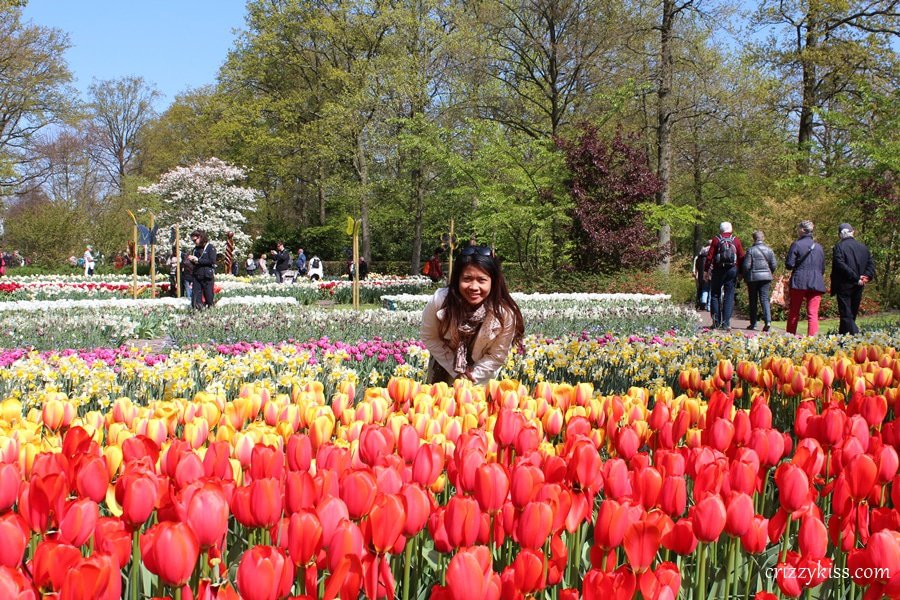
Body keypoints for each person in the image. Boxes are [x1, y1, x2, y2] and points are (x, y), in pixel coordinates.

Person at [420, 246, 525, 386]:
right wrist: (456, 369)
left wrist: (470, 376)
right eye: (467, 278)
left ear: (493, 282)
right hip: (444, 368)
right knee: (440, 405)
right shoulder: (440, 301)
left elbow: (497, 355)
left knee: (474, 407)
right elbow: (429, 336)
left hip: (481, 375)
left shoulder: (504, 313)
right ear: (457, 279)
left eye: (482, 280)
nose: (474, 287)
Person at [831, 223, 875, 335]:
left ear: (840, 234)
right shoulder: (863, 247)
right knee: (852, 313)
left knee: (846, 314)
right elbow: (871, 264)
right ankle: (843, 337)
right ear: (853, 231)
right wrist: (866, 276)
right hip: (859, 285)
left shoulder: (839, 247)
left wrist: (856, 278)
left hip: (844, 284)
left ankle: (855, 335)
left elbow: (839, 264)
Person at [785, 220, 826, 336]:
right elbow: (822, 268)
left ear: (802, 230)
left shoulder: (796, 245)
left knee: (794, 311)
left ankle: (790, 337)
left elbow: (789, 265)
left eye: (798, 228)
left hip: (799, 281)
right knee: (813, 313)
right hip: (816, 282)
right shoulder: (819, 247)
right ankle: (812, 340)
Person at [705, 222, 745, 330]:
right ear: (731, 229)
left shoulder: (716, 239)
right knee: (729, 296)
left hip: (718, 270)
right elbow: (741, 256)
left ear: (720, 230)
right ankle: (726, 323)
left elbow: (709, 257)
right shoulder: (735, 240)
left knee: (715, 295)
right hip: (732, 270)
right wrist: (740, 272)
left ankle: (716, 322)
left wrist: (706, 271)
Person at [742, 230, 777, 332]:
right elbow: (774, 265)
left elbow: (746, 266)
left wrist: (745, 275)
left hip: (753, 278)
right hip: (766, 277)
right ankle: (768, 321)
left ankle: (753, 323)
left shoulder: (751, 250)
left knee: (753, 300)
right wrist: (768, 272)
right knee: (764, 299)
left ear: (754, 238)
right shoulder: (769, 250)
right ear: (763, 238)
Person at [188, 230, 217, 309]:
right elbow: (195, 263)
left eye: (195, 240)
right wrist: (192, 260)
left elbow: (212, 261)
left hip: (207, 275)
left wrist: (198, 260)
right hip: (197, 275)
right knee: (196, 296)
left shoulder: (210, 248)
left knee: (209, 296)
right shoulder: (195, 249)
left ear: (200, 237)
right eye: (193, 241)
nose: (194, 242)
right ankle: (197, 309)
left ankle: (210, 309)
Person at [692, 241, 711, 310]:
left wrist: (696, 273)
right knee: (711, 290)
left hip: (702, 275)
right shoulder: (713, 253)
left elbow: (696, 267)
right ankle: (709, 306)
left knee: (704, 288)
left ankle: (703, 301)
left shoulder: (699, 256)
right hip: (712, 274)